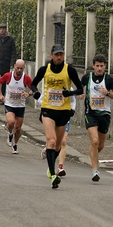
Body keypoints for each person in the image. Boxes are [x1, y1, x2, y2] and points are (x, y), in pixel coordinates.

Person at [30, 44, 83, 189]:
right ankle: (53, 175)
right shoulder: (44, 70)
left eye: (61, 54)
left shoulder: (69, 70)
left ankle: (50, 166)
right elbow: (33, 84)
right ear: (51, 55)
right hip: (48, 108)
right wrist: (35, 92)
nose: (59, 57)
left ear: (63, 55)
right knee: (51, 141)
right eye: (56, 54)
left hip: (64, 111)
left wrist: (70, 94)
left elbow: (80, 89)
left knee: (58, 145)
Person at [78, 54, 113, 182]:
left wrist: (107, 93)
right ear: (93, 66)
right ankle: (95, 170)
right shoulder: (87, 77)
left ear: (105, 66)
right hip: (90, 113)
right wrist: (80, 94)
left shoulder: (108, 79)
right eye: (97, 66)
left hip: (104, 114)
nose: (99, 68)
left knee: (100, 145)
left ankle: (93, 155)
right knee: (95, 141)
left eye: (102, 66)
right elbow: (80, 89)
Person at [0, 59, 33, 154]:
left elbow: (33, 89)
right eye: (18, 68)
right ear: (14, 67)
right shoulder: (8, 76)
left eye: (21, 68)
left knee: (18, 128)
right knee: (11, 122)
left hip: (20, 106)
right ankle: (9, 134)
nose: (19, 70)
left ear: (24, 68)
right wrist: (0, 94)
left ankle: (15, 143)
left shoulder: (26, 78)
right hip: (9, 104)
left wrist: (28, 94)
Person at [39, 88, 76, 177]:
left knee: (62, 142)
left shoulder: (68, 87)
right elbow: (40, 101)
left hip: (63, 116)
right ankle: (48, 151)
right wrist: (51, 106)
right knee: (52, 141)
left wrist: (72, 110)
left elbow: (73, 101)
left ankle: (59, 167)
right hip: (51, 115)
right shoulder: (50, 86)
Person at [0, 23, 17, 104]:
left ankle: (1, 98)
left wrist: (12, 63)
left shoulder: (10, 39)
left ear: (5, 30)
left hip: (6, 62)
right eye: (0, 29)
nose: (2, 30)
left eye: (3, 29)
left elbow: (13, 52)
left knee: (4, 80)